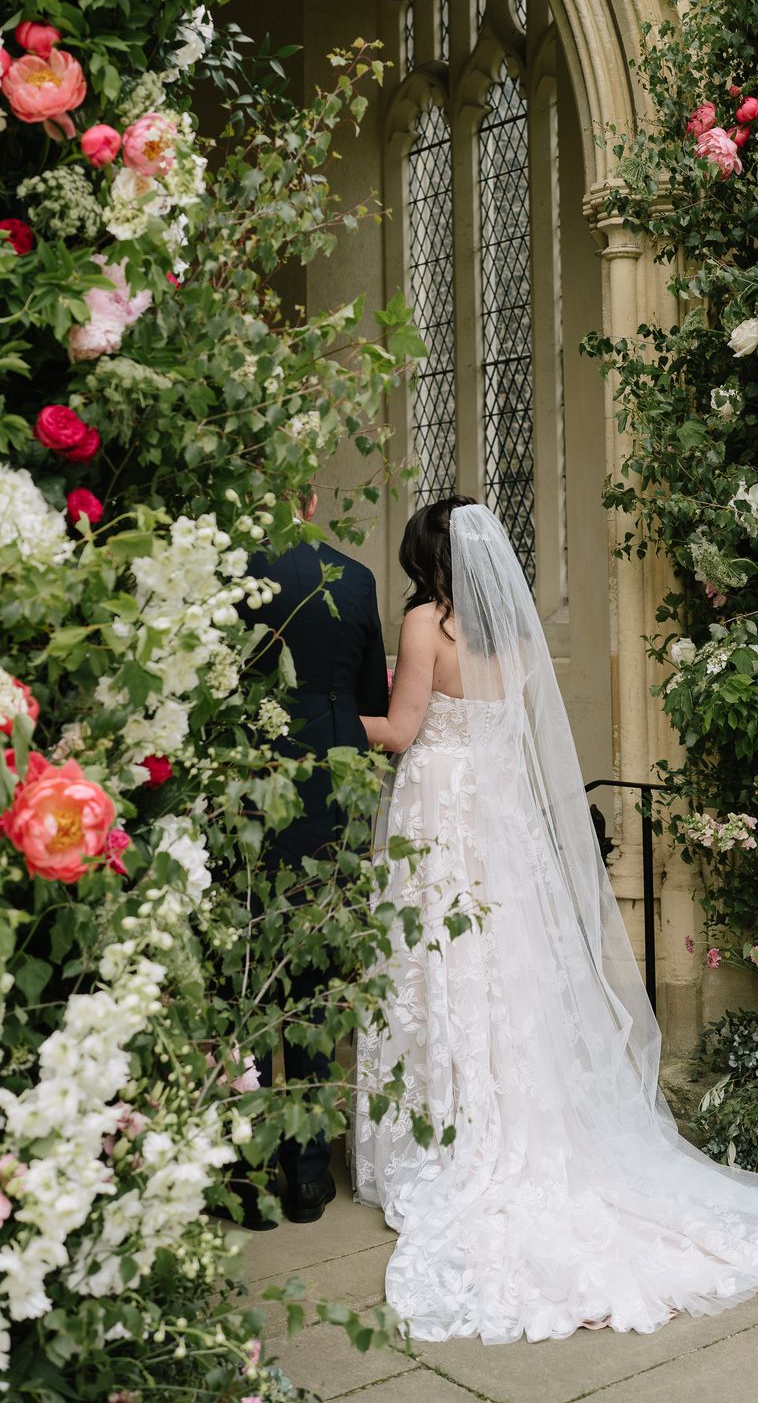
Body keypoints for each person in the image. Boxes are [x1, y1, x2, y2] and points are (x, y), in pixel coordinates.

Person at [352, 495, 758, 1343]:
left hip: (442, 807)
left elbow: (402, 728)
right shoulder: (517, 637)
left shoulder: (426, 625)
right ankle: (518, 1112)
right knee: (510, 961)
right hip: (501, 814)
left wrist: (326, 718)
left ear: (426, 560)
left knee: (443, 962)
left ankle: (453, 1128)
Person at [244, 487, 389, 1227]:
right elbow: (369, 703)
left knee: (240, 969)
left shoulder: (231, 572)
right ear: (310, 498)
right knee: (313, 971)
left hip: (244, 786)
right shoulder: (354, 579)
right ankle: (305, 1175)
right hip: (331, 787)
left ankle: (244, 1171)